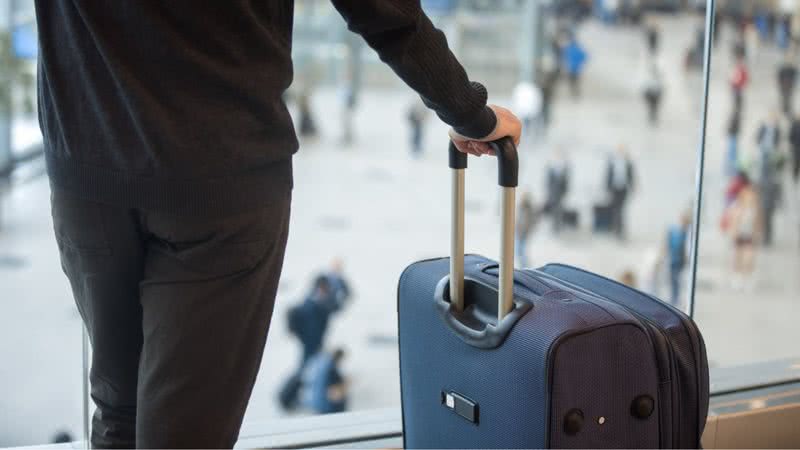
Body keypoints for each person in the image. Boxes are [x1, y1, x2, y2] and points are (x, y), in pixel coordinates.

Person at [35, 1, 523, 447]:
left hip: (87, 173)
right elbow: (385, 13)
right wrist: (469, 113)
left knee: (119, 412)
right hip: (221, 184)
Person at [279, 276, 343, 410]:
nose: (326, 291)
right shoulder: (309, 304)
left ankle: (287, 397)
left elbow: (337, 306)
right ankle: (285, 397)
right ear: (318, 288)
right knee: (304, 370)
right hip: (309, 343)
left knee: (306, 370)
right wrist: (301, 337)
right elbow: (295, 317)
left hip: (316, 342)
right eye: (324, 288)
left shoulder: (322, 302)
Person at [727, 179, 763, 290]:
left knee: (749, 258)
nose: (750, 199)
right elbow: (733, 222)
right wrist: (733, 233)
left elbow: (758, 222)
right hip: (739, 235)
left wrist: (757, 234)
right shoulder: (738, 207)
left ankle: (747, 278)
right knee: (738, 257)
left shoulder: (755, 209)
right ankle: (737, 277)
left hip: (749, 236)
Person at [755, 111, 783, 246]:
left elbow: (778, 193)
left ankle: (767, 238)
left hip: (768, 204)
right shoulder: (768, 180)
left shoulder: (771, 180)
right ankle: (766, 237)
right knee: (766, 220)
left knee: (768, 220)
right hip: (766, 203)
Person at [302, 349, 348, 414]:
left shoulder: (323, 365)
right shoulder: (331, 370)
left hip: (316, 402)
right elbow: (333, 391)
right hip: (325, 406)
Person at [605, 145, 636, 240]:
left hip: (623, 188)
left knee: (621, 209)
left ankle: (621, 229)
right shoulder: (612, 162)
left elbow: (631, 176)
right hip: (614, 188)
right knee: (615, 209)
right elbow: (608, 175)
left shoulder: (628, 162)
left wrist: (632, 187)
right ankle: (615, 228)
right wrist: (607, 187)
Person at [665, 212, 692, 306]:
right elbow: (667, 242)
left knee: (677, 279)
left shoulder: (687, 233)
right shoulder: (673, 230)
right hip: (673, 258)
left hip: (680, 260)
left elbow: (687, 248)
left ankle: (676, 297)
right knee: (672, 279)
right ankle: (673, 297)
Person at [545, 149, 571, 234]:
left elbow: (567, 182)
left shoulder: (565, 167)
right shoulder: (551, 167)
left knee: (559, 209)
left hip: (561, 192)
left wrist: (565, 192)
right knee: (553, 209)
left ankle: (558, 226)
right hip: (553, 192)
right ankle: (554, 226)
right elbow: (548, 181)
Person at [515, 192, 540, 268]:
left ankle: (525, 267)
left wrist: (526, 230)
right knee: (519, 251)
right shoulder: (521, 207)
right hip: (520, 232)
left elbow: (529, 222)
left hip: (523, 233)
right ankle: (524, 266)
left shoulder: (528, 209)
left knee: (520, 251)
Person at [561, 35, 588, 99]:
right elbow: (584, 56)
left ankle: (574, 92)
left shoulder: (569, 49)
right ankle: (575, 93)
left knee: (572, 81)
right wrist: (581, 63)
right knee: (575, 81)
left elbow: (564, 57)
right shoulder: (577, 49)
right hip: (576, 69)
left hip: (571, 68)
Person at [641, 56, 664, 126]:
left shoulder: (656, 77)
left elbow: (660, 87)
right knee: (653, 108)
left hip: (654, 95)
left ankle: (653, 117)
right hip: (653, 95)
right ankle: (652, 117)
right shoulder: (654, 77)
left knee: (653, 108)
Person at [726, 111, 742, 177]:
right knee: (731, 155)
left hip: (733, 137)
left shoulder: (735, 118)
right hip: (733, 137)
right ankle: (730, 170)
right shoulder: (735, 118)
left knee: (732, 155)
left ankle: (731, 171)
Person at [791, 111, 800, 184]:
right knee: (796, 162)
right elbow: (791, 135)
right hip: (796, 146)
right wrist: (793, 145)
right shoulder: (795, 124)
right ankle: (795, 177)